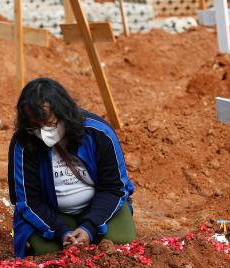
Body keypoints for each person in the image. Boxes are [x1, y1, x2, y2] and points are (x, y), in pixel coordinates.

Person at [8, 78, 136, 258]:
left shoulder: (99, 133)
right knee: (48, 253)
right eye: (35, 127)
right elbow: (28, 200)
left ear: (64, 113)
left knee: (121, 241)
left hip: (98, 203)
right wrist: (62, 231)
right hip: (53, 211)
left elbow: (114, 188)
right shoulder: (23, 143)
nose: (43, 133)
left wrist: (89, 228)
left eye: (50, 124)